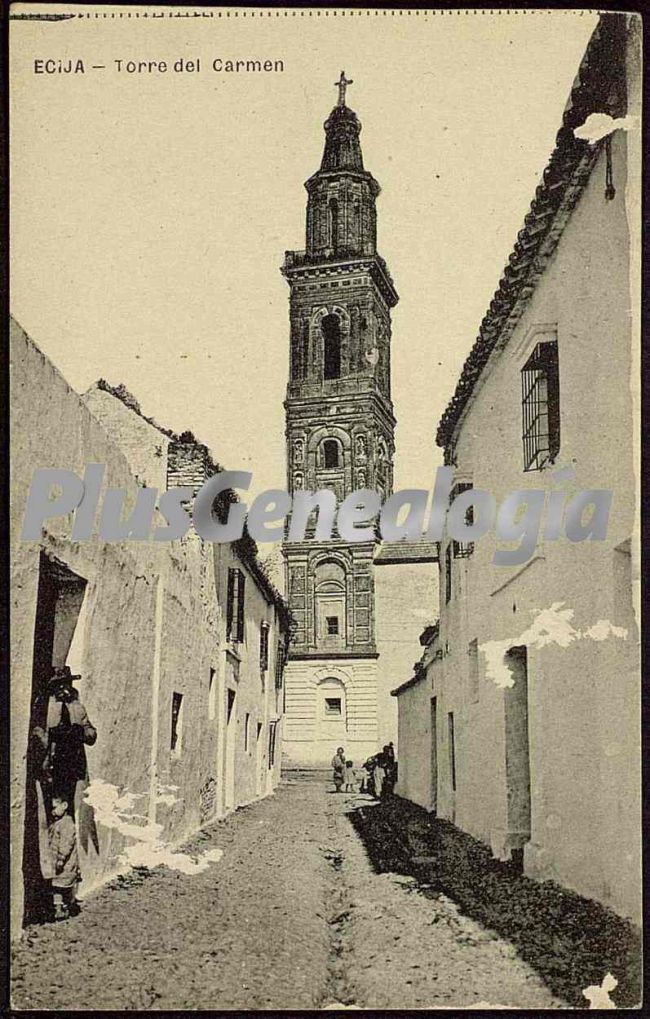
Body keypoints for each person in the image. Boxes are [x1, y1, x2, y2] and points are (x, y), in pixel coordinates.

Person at [30, 665, 97, 919]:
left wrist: (83, 732)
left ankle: (64, 893)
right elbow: (37, 733)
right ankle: (50, 894)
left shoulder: (78, 707)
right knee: (51, 831)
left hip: (72, 776)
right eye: (59, 684)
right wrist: (47, 740)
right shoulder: (45, 708)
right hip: (50, 775)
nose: (64, 688)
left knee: (66, 829)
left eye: (66, 683)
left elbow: (91, 733)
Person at [48, 796, 80, 920]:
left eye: (55, 808)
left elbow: (67, 842)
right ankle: (58, 909)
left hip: (65, 862)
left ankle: (66, 907)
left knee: (63, 886)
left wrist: (61, 857)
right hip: (57, 861)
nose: (53, 811)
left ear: (65, 805)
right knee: (56, 885)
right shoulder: (58, 823)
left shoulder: (67, 823)